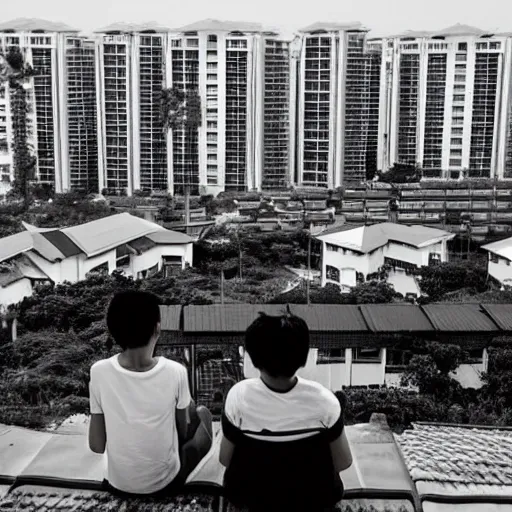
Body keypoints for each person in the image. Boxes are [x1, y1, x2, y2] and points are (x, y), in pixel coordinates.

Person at [219, 308, 353, 512]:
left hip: (252, 501)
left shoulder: (238, 396)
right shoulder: (325, 401)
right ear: (303, 356)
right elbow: (343, 462)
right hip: (312, 502)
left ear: (253, 357)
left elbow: (224, 459)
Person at [88, 290, 213, 498]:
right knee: (204, 415)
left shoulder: (99, 371)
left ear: (113, 330)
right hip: (166, 485)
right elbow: (183, 432)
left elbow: (97, 445)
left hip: (116, 484)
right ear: (157, 328)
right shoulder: (176, 371)